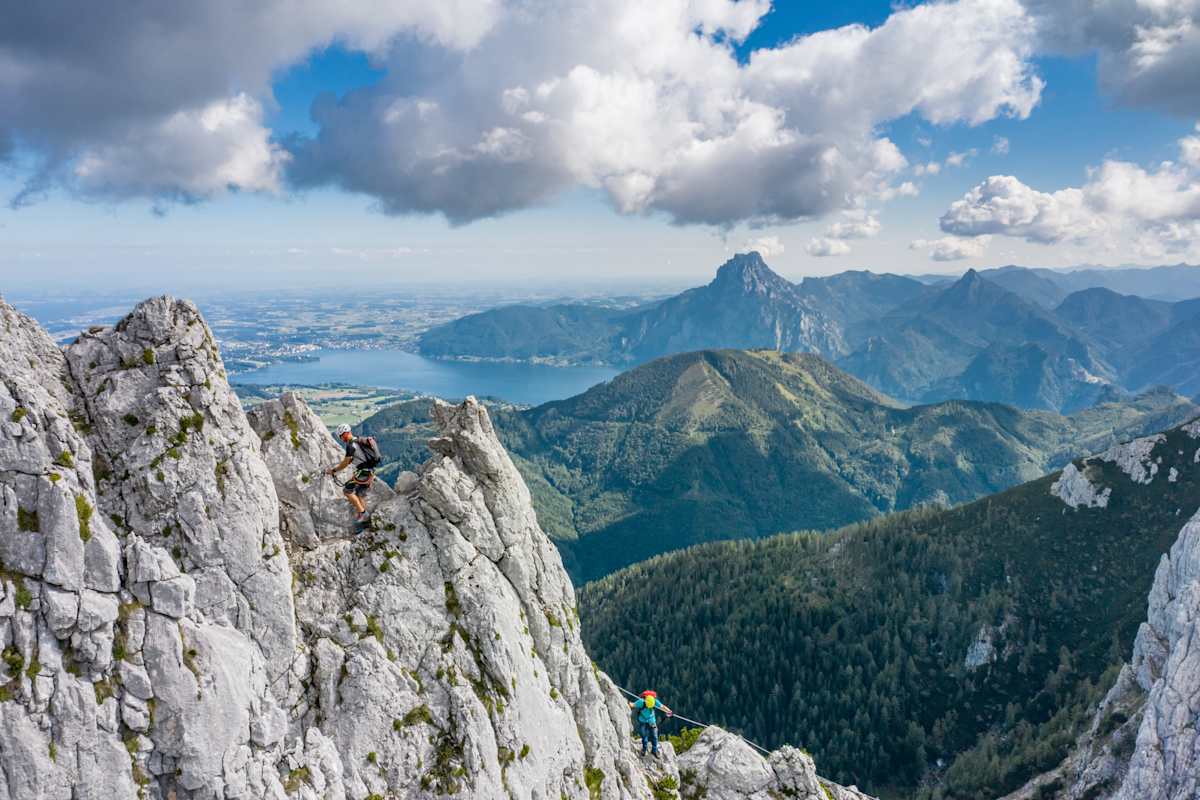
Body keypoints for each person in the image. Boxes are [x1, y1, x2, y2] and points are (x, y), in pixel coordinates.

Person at [327, 424, 381, 528]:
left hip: (363, 472)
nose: (341, 438)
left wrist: (334, 470)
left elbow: (345, 463)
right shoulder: (358, 440)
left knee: (347, 491)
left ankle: (363, 514)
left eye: (341, 436)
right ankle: (366, 520)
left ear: (346, 433)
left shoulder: (351, 446)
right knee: (359, 493)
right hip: (368, 471)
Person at [629, 690, 672, 758]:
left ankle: (654, 751)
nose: (649, 708)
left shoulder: (654, 701)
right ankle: (644, 749)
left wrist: (669, 711)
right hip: (643, 721)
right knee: (644, 736)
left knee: (655, 736)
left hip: (651, 721)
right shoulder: (641, 702)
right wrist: (627, 702)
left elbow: (662, 707)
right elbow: (632, 705)